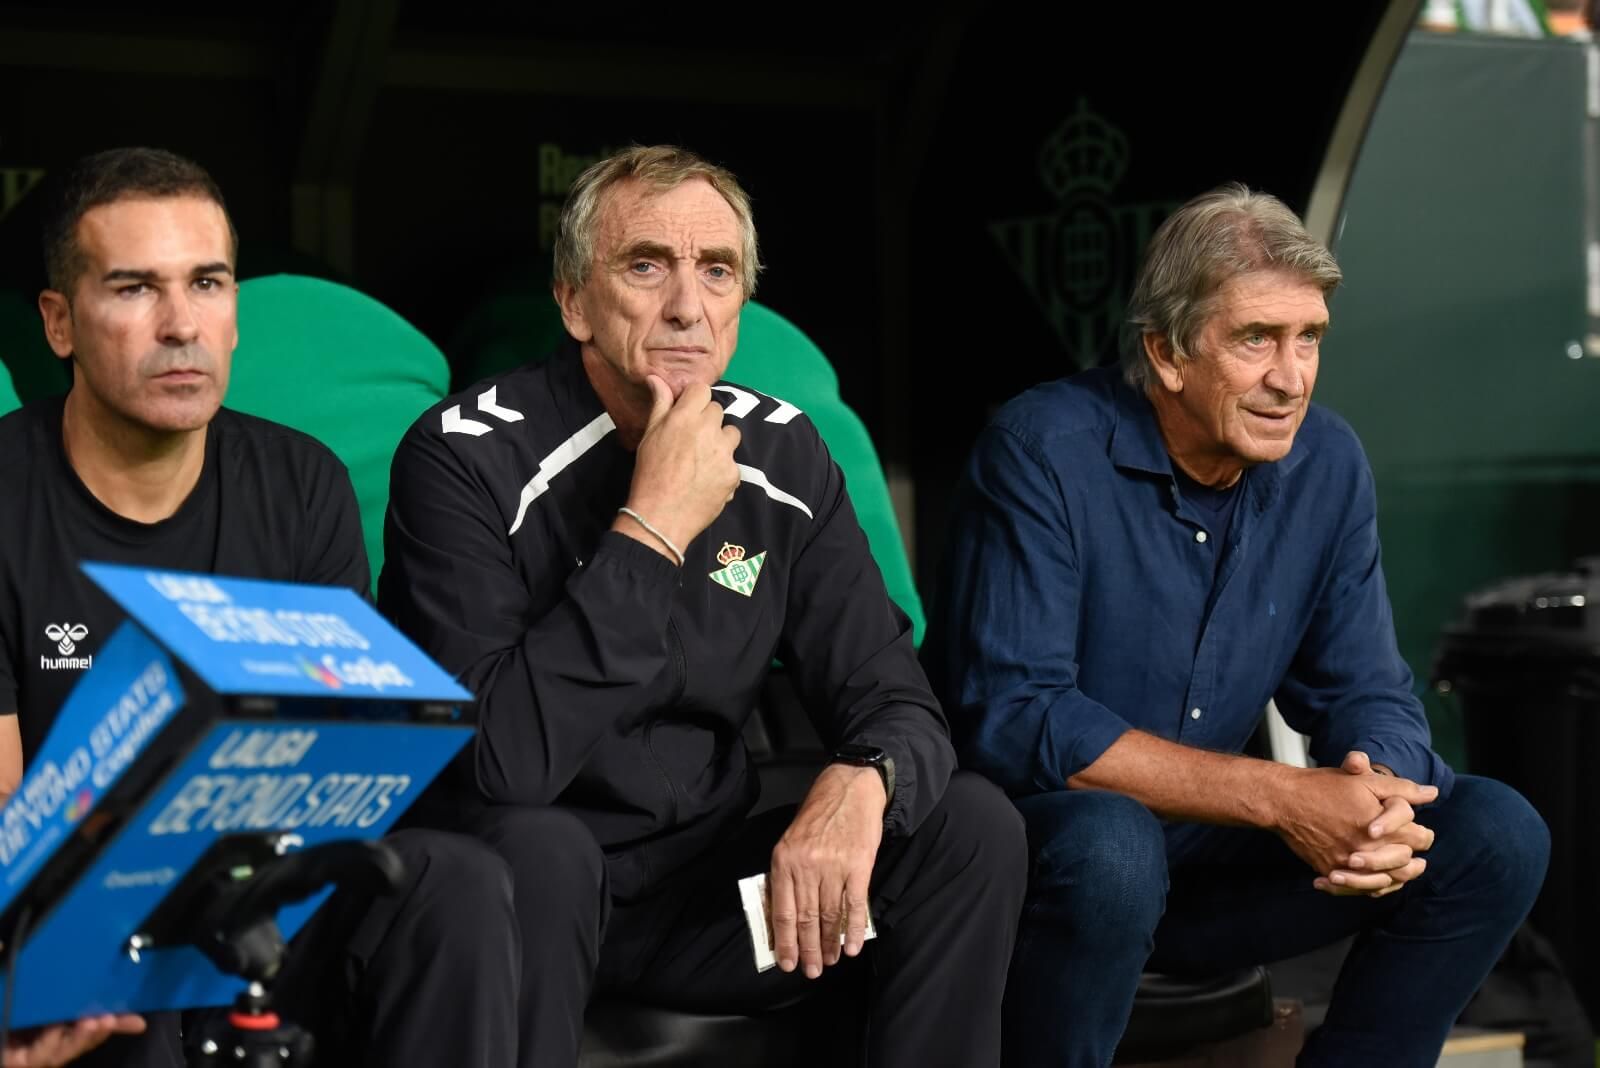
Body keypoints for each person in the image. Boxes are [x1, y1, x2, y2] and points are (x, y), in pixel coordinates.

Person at [380, 144, 1027, 1068]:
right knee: (540, 849)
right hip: (532, 899)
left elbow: (897, 700)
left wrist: (865, 780)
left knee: (970, 827)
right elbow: (499, 765)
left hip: (714, 912)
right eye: (647, 266)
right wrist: (652, 528)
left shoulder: (783, 452)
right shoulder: (464, 457)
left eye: (717, 271)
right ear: (574, 301)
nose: (688, 305)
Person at [923, 183, 1550, 1068]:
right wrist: (1284, 798)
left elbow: (1367, 688)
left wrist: (1377, 797)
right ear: (1166, 352)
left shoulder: (1327, 461)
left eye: (1309, 339)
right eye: (1256, 338)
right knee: (1113, 844)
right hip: (1042, 865)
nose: (1291, 378)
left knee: (1496, 833)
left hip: (1207, 866)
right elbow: (1018, 718)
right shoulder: (1041, 450)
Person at [0, 147, 517, 1068]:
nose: (180, 326)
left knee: (457, 880)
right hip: (78, 910)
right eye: (133, 289)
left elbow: (341, 755)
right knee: (130, 965)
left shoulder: (303, 483)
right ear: (59, 323)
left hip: (264, 891)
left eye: (206, 284)